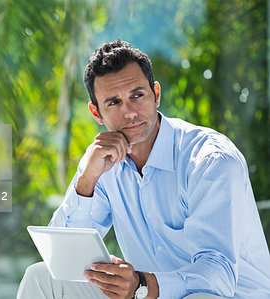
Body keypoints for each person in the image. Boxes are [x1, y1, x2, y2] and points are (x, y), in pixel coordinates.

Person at [17, 39, 270, 299]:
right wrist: (87, 180)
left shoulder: (209, 161)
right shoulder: (101, 160)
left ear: (156, 94)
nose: (130, 113)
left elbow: (218, 277)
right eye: (114, 103)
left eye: (137, 96)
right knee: (41, 278)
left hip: (224, 296)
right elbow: (61, 258)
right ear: (97, 113)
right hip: (144, 293)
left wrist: (141, 283)